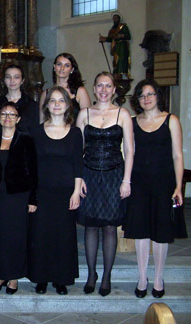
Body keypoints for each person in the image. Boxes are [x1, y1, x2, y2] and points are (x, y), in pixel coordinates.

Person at [124, 79, 184, 298]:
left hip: (163, 183)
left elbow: (178, 155)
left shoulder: (171, 120)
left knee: (160, 232)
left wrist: (178, 186)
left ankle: (158, 277)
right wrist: (126, 181)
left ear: (158, 96)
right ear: (137, 100)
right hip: (139, 182)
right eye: (141, 95)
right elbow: (127, 153)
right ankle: (142, 277)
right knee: (140, 232)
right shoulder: (131, 121)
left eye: (150, 94)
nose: (146, 98)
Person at [76, 72, 134, 297]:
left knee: (110, 227)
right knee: (90, 226)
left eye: (107, 86)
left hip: (113, 175)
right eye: (99, 85)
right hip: (89, 174)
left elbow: (129, 150)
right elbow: (77, 150)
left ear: (114, 90)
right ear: (93, 88)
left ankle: (107, 276)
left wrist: (126, 180)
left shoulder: (123, 114)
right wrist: (78, 178)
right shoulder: (84, 114)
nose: (103, 89)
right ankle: (91, 275)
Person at [28, 86, 83, 295]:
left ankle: (61, 278)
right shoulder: (36, 131)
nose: (57, 104)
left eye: (61, 100)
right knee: (42, 235)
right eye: (53, 100)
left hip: (65, 192)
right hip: (42, 191)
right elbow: (31, 166)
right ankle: (41, 278)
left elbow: (78, 164)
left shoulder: (76, 133)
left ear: (67, 105)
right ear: (47, 105)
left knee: (64, 236)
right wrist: (31, 195)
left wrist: (76, 191)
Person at [0, 101, 37, 295]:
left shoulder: (26, 140)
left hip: (18, 196)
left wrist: (33, 199)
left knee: (16, 236)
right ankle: (0, 274)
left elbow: (33, 171)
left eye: (12, 114)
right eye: (4, 114)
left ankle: (13, 277)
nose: (8, 117)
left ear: (19, 119)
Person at [0, 64, 40, 135]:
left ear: (22, 80)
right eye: (8, 77)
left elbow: (35, 131)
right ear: (4, 80)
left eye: (16, 77)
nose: (12, 80)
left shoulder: (32, 104)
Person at [39, 53, 91, 124]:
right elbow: (42, 121)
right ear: (54, 67)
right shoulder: (46, 93)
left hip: (74, 133)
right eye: (59, 64)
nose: (62, 68)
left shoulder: (80, 91)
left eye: (66, 65)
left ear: (72, 69)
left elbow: (87, 119)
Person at [99, 14, 131, 79]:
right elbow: (111, 38)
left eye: (116, 18)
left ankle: (120, 75)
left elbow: (128, 36)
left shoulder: (123, 26)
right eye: (114, 19)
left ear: (119, 19)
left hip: (122, 47)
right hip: (115, 47)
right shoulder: (113, 29)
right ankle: (115, 75)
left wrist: (121, 35)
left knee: (121, 61)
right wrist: (104, 39)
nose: (115, 20)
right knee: (116, 62)